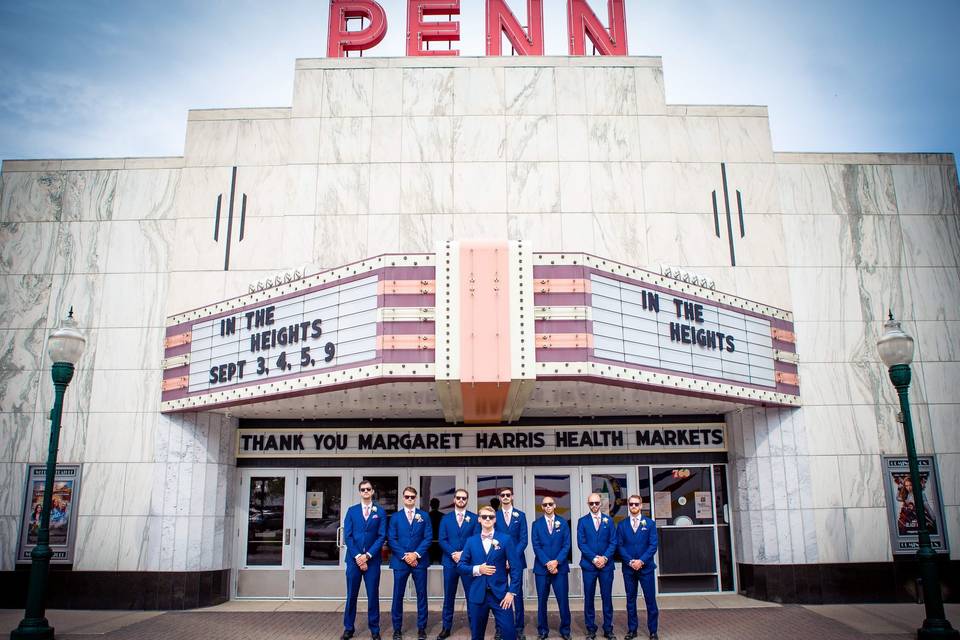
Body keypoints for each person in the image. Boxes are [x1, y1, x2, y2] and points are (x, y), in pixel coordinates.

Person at [458, 505, 521, 640]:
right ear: (479, 519)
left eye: (491, 517)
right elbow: (461, 566)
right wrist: (478, 569)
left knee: (510, 634)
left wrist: (511, 592)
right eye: (484, 516)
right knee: (477, 635)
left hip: (501, 595)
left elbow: (516, 567)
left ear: (495, 520)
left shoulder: (505, 539)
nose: (487, 519)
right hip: (477, 595)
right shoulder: (471, 541)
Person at [342, 479, 387, 640]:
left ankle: (374, 629)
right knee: (351, 595)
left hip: (372, 561)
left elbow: (381, 536)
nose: (366, 491)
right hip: (354, 561)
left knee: (373, 595)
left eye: (368, 489)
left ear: (373, 491)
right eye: (363, 489)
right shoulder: (352, 511)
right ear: (360, 492)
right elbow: (348, 535)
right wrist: (358, 557)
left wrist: (367, 556)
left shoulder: (379, 512)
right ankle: (348, 628)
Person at [389, 486, 433, 640]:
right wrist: (405, 556)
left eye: (412, 497)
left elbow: (428, 537)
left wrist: (415, 554)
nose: (409, 499)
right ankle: (397, 629)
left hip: (419, 562)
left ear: (416, 498)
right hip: (400, 563)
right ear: (403, 498)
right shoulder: (395, 517)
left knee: (422, 595)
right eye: (407, 497)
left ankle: (422, 628)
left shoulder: (424, 516)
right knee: (397, 596)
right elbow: (392, 539)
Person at [617, 495, 659, 640]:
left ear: (641, 505)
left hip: (645, 568)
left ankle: (653, 631)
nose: (633, 506)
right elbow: (620, 546)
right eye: (631, 504)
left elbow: (653, 545)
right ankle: (632, 630)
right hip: (629, 569)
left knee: (650, 600)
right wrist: (630, 561)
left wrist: (641, 561)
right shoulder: (622, 525)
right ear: (628, 506)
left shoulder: (650, 524)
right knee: (630, 600)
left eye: (636, 504)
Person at [437, 489, 477, 640]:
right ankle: (446, 628)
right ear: (454, 499)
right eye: (458, 498)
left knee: (471, 596)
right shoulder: (446, 519)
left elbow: (475, 539)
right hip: (450, 562)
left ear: (467, 500)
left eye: (464, 498)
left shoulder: (474, 518)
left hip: (467, 563)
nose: (461, 500)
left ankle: (475, 627)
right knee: (449, 597)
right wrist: (453, 553)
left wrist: (463, 555)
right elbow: (442, 539)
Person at [531, 496, 571, 640]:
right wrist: (548, 563)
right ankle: (543, 630)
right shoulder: (536, 524)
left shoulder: (563, 523)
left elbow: (567, 545)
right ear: (542, 507)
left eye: (550, 504)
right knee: (542, 601)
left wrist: (557, 562)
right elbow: (536, 546)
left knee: (563, 600)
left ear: (555, 506)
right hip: (542, 569)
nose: (548, 506)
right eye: (545, 504)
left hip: (560, 569)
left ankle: (565, 630)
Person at [577, 493, 616, 640]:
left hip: (606, 566)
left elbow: (613, 542)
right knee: (589, 598)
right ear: (588, 504)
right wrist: (594, 559)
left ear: (601, 504)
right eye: (591, 503)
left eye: (596, 503)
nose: (594, 506)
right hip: (589, 566)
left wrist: (604, 558)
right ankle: (591, 629)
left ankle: (608, 629)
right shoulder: (582, 522)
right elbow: (582, 543)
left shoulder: (609, 521)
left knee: (607, 598)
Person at [495, 486, 528, 640]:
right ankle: (500, 628)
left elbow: (523, 540)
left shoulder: (520, 516)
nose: (506, 497)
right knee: (499, 594)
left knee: (517, 594)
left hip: (516, 561)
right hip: (499, 561)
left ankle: (519, 627)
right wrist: (504, 557)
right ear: (500, 498)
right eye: (503, 495)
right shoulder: (495, 516)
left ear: (512, 496)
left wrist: (512, 557)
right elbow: (493, 539)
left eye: (508, 494)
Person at [429, 497, 445, 563]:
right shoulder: (443, 516)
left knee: (429, 564)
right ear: (438, 505)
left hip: (430, 544)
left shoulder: (427, 516)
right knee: (441, 564)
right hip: (440, 543)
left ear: (430, 505)